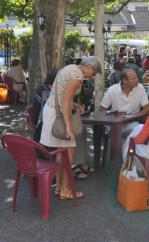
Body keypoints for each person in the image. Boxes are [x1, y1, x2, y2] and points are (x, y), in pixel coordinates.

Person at [40, 56, 103, 201]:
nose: (92, 76)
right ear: (89, 67)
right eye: (93, 73)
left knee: (61, 151)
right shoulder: (78, 76)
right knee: (68, 152)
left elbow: (60, 95)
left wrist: (75, 105)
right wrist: (69, 126)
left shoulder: (68, 68)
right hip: (60, 115)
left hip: (51, 110)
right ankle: (65, 190)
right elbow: (66, 99)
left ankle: (59, 187)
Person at [100, 68, 149, 137]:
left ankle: (127, 143)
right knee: (116, 134)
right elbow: (102, 109)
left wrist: (133, 116)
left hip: (132, 121)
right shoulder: (112, 90)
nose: (137, 80)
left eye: (136, 77)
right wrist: (111, 119)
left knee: (132, 134)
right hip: (115, 121)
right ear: (125, 81)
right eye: (133, 78)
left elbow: (147, 109)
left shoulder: (140, 88)